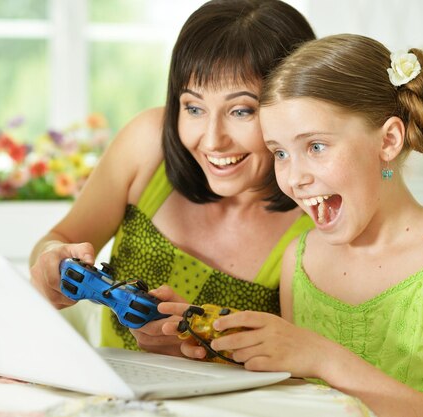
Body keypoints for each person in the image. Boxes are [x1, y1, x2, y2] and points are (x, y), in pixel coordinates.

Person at [165, 34, 423, 416]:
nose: (294, 177)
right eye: (280, 152)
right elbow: (298, 400)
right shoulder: (301, 258)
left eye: (316, 147)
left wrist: (322, 358)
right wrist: (222, 349)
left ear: (388, 140)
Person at [29, 0, 315, 355]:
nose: (212, 140)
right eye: (194, 108)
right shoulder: (148, 144)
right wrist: (51, 259)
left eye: (241, 111)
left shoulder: (314, 225)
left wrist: (199, 349)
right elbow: (61, 238)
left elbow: (301, 375)